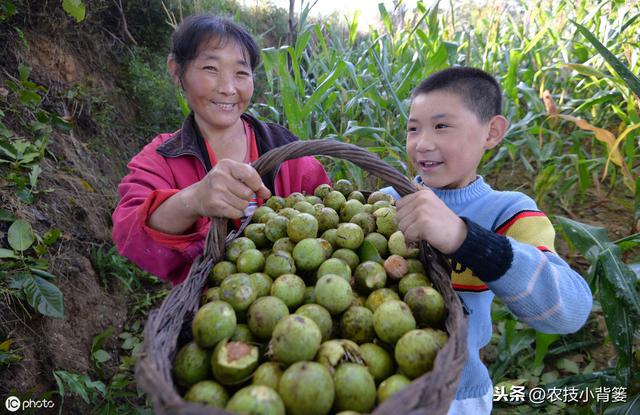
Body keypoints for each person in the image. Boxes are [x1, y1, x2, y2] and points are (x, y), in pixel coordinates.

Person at [381, 67, 592, 414]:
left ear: (492, 132)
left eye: (441, 126)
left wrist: (466, 239)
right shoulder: (387, 201)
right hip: (383, 393)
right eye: (413, 128)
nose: (422, 143)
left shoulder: (508, 211)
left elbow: (570, 312)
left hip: (460, 397)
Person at [112, 15, 330, 285]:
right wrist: (193, 200)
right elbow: (130, 233)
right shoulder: (163, 157)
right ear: (176, 71)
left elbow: (328, 209)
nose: (228, 89)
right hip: (210, 308)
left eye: (241, 73)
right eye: (210, 69)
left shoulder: (284, 149)